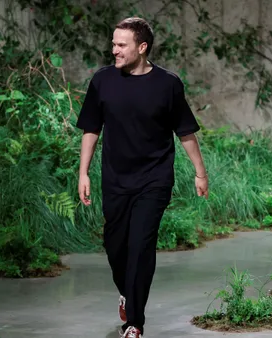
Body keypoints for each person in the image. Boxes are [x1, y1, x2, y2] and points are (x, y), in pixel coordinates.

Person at [76, 16, 208, 338]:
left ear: (142, 47)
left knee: (141, 246)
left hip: (154, 179)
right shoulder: (102, 81)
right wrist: (83, 173)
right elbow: (92, 128)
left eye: (121, 45)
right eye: (113, 44)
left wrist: (200, 173)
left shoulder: (168, 84)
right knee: (115, 246)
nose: (114, 50)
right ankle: (127, 293)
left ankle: (134, 322)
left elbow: (186, 132)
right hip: (116, 179)